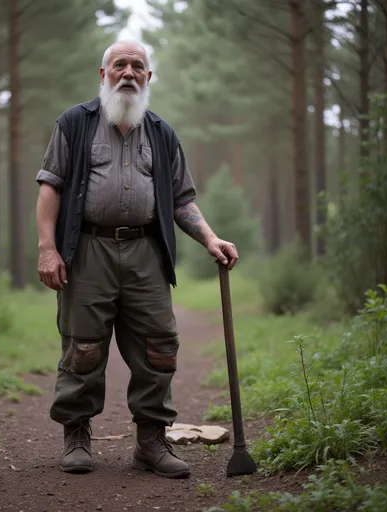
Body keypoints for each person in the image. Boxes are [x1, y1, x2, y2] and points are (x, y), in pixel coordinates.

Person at [35, 39, 238, 479]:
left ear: (149, 77)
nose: (128, 72)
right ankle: (77, 434)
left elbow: (182, 199)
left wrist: (210, 238)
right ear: (103, 73)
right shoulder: (75, 123)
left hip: (147, 251)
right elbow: (50, 185)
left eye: (138, 66)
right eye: (120, 64)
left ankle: (150, 442)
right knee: (83, 346)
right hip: (88, 249)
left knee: (159, 347)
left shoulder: (163, 134)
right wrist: (48, 248)